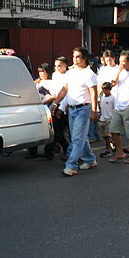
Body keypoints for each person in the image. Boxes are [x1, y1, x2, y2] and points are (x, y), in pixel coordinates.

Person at [53, 47, 99, 176]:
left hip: (84, 108)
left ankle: (71, 165)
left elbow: (93, 93)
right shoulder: (70, 73)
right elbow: (64, 90)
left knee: (77, 138)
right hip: (72, 109)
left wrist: (95, 111)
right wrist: (56, 103)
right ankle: (90, 160)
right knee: (78, 137)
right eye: (73, 56)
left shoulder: (89, 74)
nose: (75, 59)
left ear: (84, 58)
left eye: (78, 56)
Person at [108, 50, 129, 164]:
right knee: (113, 130)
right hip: (118, 106)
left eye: (124, 61)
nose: (121, 63)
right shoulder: (120, 73)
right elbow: (113, 84)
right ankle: (119, 152)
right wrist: (118, 72)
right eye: (120, 61)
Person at [98, 81, 116, 158]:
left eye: (105, 89)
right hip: (102, 118)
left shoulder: (113, 98)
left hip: (110, 118)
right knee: (104, 136)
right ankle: (112, 143)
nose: (104, 91)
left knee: (107, 135)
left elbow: (115, 108)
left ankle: (107, 150)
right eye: (103, 89)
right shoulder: (102, 97)